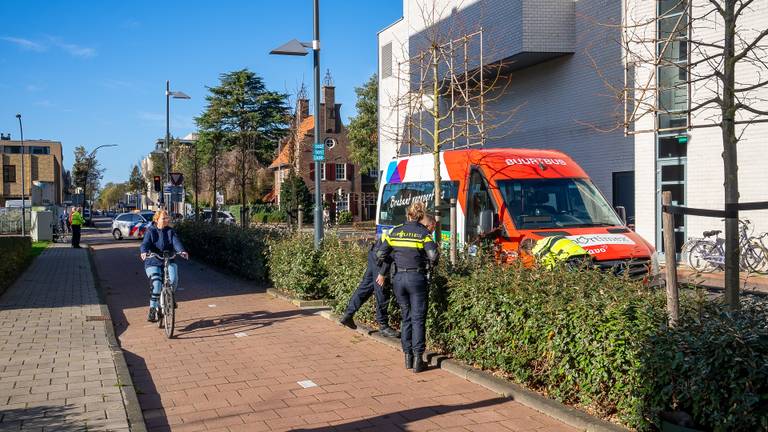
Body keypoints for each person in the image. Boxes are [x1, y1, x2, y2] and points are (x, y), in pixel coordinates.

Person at [376, 201, 438, 373]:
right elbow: (433, 256)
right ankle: (418, 359)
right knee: (418, 318)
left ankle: (407, 357)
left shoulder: (395, 232)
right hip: (416, 278)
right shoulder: (423, 233)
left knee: (406, 317)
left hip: (398, 279)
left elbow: (381, 253)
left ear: (408, 215)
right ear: (420, 216)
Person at [338, 238, 400, 338]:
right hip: (382, 257)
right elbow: (389, 252)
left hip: (374, 252)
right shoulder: (407, 230)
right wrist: (382, 273)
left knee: (365, 287)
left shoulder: (402, 227)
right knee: (382, 291)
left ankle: (348, 314)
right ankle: (383, 326)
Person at [140, 210, 189, 322]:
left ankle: (170, 298)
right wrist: (144, 251)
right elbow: (145, 243)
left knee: (173, 279)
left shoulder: (170, 231)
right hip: (153, 261)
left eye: (167, 218)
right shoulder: (150, 231)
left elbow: (176, 242)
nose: (166, 220)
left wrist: (181, 251)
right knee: (156, 283)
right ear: (156, 220)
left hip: (169, 259)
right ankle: (152, 309)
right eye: (164, 218)